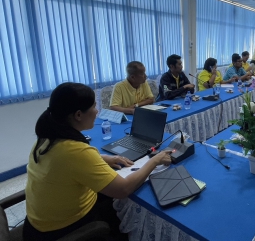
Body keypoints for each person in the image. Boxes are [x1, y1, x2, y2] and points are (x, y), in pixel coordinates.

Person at [23, 82, 172, 241]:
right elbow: (123, 189)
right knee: (126, 205)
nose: (97, 111)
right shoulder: (77, 152)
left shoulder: (46, 138)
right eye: (94, 107)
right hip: (62, 230)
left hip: (37, 224)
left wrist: (105, 158)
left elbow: (66, 162)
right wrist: (154, 161)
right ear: (78, 115)